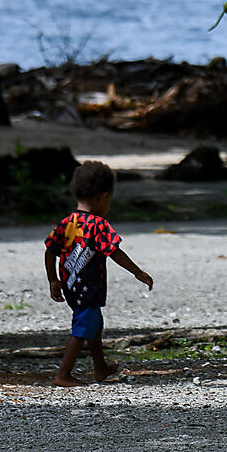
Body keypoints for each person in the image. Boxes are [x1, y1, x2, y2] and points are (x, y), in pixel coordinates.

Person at [44, 161, 153, 387]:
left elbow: (50, 251)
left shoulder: (66, 223)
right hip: (89, 288)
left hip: (71, 286)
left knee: (94, 325)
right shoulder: (98, 225)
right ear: (103, 196)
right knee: (82, 328)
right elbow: (114, 251)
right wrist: (137, 272)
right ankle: (63, 375)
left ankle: (100, 368)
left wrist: (53, 280)